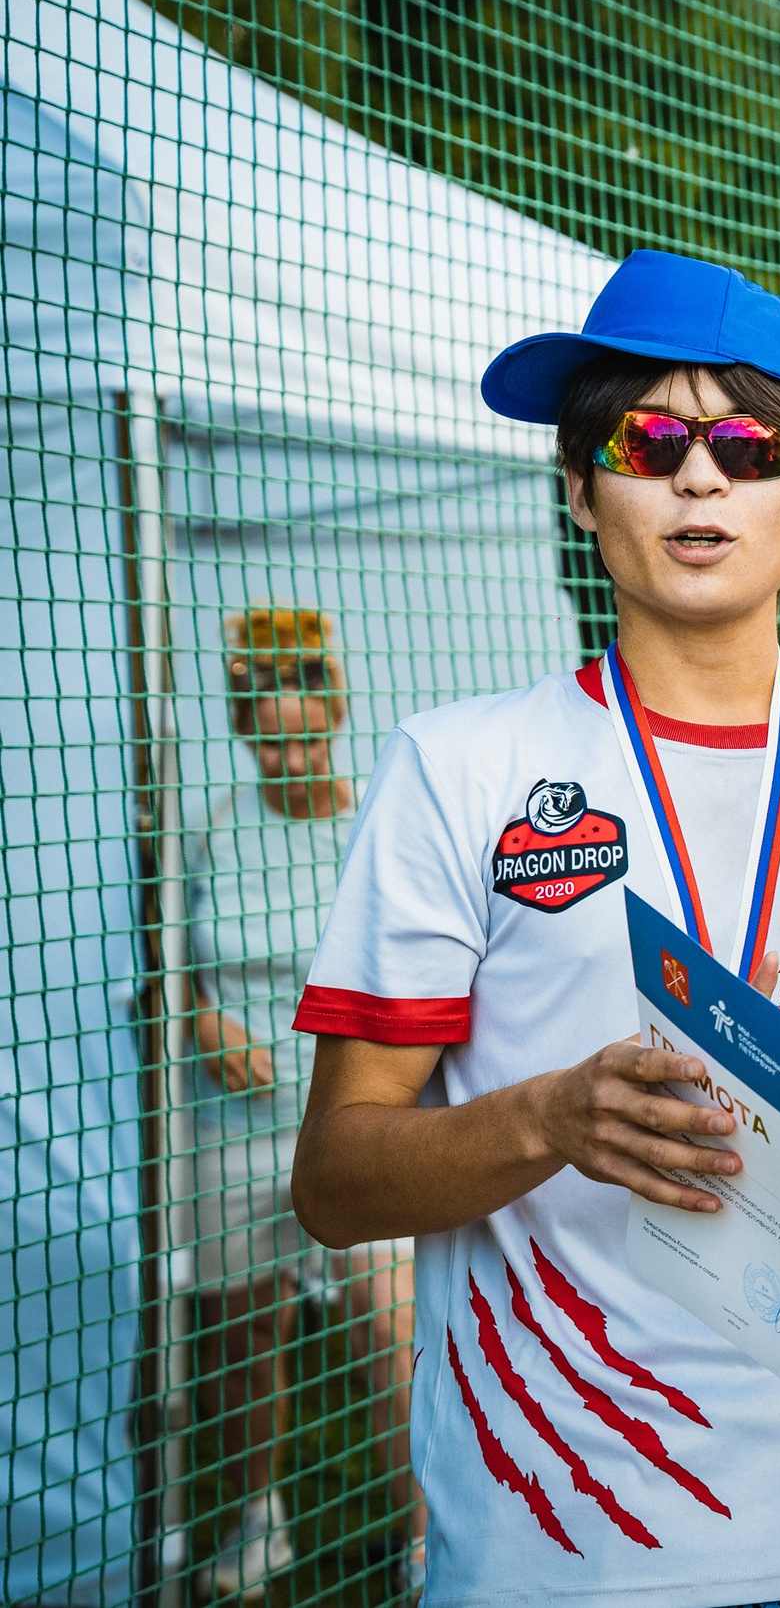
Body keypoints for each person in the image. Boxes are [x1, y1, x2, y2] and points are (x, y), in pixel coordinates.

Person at [289, 250, 780, 1608]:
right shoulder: (456, 768)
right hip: (564, 1549)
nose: (698, 476)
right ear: (579, 486)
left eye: (749, 443)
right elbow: (336, 1177)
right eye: (644, 438)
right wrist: (549, 1117)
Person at [176, 606, 424, 1602]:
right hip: (228, 1134)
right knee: (243, 1337)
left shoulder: (381, 825)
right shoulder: (216, 830)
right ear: (243, 729)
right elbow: (163, 964)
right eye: (266, 734)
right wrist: (199, 1020)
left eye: (301, 731)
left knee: (386, 1324)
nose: (286, 752)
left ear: (335, 712)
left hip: (354, 1127)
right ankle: (255, 1524)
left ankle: (424, 1537)